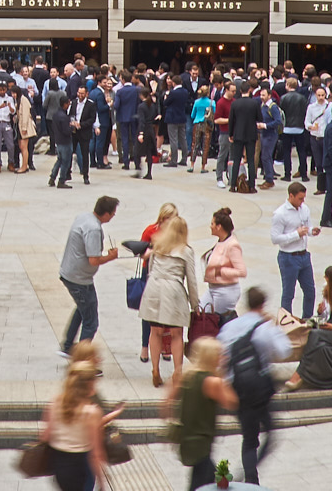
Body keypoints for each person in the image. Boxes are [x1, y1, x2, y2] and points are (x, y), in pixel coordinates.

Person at [217, 286, 285, 485]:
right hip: (260, 390)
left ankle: (251, 480)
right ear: (262, 304)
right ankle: (250, 477)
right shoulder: (264, 327)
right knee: (270, 434)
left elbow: (220, 354)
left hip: (237, 388)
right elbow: (284, 351)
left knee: (249, 438)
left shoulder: (230, 326)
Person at [40, 346, 122, 491]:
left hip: (60, 465)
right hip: (81, 466)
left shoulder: (55, 403)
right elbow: (95, 454)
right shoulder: (91, 412)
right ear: (89, 385)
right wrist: (102, 483)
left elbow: (46, 436)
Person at [167, 337, 237, 491]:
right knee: (201, 481)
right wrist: (223, 374)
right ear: (211, 357)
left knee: (207, 476)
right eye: (220, 354)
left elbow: (168, 400)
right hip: (202, 442)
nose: (223, 358)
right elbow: (232, 402)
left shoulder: (186, 376)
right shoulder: (213, 382)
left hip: (187, 437)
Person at [139, 213, 199, 388]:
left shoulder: (157, 246)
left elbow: (150, 269)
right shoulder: (186, 250)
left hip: (154, 288)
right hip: (173, 291)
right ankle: (178, 373)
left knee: (155, 331)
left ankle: (155, 370)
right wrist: (195, 305)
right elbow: (191, 280)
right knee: (176, 334)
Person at [59, 196, 121, 353]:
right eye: (113, 213)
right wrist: (110, 257)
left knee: (82, 309)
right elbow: (93, 260)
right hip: (79, 280)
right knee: (91, 322)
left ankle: (67, 347)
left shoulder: (84, 217)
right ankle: (82, 358)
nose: (114, 216)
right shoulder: (93, 228)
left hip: (70, 273)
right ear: (106, 214)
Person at [271, 180, 320, 317]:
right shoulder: (280, 214)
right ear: (291, 196)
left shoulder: (305, 209)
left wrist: (311, 231)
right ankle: (286, 323)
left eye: (303, 198)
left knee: (310, 291)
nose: (302, 201)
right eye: (299, 198)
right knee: (288, 293)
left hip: (304, 255)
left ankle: (307, 320)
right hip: (288, 257)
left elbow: (306, 227)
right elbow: (275, 238)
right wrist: (295, 235)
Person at [204, 207, 246, 315]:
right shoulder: (221, 241)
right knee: (202, 313)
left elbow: (241, 271)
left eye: (212, 224)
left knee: (219, 322)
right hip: (212, 288)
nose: (210, 226)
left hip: (225, 291)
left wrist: (220, 271)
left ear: (219, 227)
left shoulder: (232, 245)